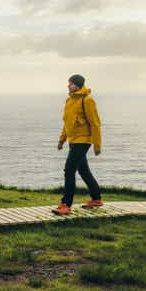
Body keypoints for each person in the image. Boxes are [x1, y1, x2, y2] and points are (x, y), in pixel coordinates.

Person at [53, 74, 103, 215]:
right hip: (73, 141)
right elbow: (67, 123)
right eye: (69, 83)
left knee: (69, 170)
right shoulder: (69, 101)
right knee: (83, 170)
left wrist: (97, 145)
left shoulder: (87, 101)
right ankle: (96, 198)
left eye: (71, 83)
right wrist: (62, 140)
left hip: (83, 140)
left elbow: (95, 123)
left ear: (78, 85)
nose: (68, 85)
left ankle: (65, 204)